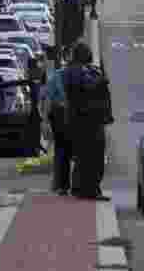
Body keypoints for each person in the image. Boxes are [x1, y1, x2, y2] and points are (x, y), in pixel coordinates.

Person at [63, 42, 114, 200]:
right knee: (92, 156)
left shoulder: (80, 70)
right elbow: (88, 86)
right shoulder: (76, 71)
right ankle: (89, 189)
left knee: (84, 156)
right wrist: (100, 80)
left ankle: (82, 188)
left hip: (85, 118)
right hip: (87, 120)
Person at [44, 62, 73, 195]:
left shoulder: (57, 75)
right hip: (78, 116)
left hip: (60, 117)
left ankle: (61, 184)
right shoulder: (83, 74)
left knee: (61, 150)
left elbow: (49, 99)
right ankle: (78, 185)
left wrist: (45, 120)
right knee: (78, 152)